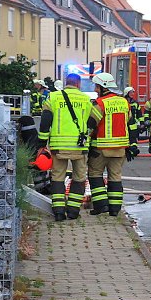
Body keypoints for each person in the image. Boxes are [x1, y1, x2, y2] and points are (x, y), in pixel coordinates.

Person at [37, 73, 102, 221]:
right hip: (80, 147)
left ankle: (59, 212)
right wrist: (87, 135)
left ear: (66, 83)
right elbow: (93, 121)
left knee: (58, 177)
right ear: (78, 84)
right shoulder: (86, 100)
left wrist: (41, 143)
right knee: (79, 177)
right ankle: (73, 211)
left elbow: (45, 121)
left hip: (59, 146)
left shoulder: (53, 98)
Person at [88, 73, 139, 216]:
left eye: (97, 86)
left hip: (100, 149)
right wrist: (133, 145)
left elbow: (91, 126)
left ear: (103, 87)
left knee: (95, 174)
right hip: (120, 150)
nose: (95, 90)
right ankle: (115, 209)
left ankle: (101, 206)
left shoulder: (100, 104)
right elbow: (131, 125)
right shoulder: (124, 103)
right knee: (115, 177)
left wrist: (85, 144)